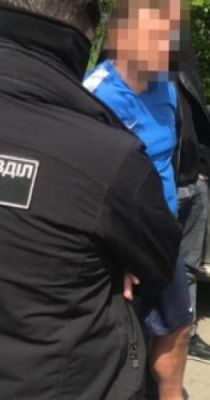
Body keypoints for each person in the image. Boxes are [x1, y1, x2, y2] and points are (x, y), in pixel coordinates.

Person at [0, 1, 181, 399]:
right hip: (71, 376)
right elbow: (157, 262)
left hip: (145, 225)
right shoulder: (104, 136)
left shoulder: (166, 90)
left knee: (177, 327)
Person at [84, 1, 192, 398]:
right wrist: (119, 250)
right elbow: (82, 182)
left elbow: (168, 157)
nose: (170, 46)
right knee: (123, 348)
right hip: (117, 247)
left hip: (162, 237)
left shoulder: (167, 87)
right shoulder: (94, 95)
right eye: (159, 35)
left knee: (178, 329)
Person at [177, 47, 210, 364]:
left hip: (193, 179)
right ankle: (138, 347)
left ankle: (187, 334)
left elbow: (197, 111)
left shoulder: (183, 50)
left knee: (188, 267)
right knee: (148, 268)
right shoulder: (127, 49)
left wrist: (203, 165)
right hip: (160, 182)